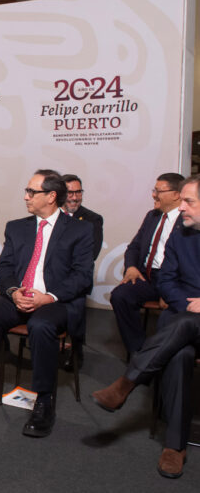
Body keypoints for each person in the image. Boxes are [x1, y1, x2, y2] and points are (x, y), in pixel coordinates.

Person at [0, 170, 93, 437]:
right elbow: (5, 266)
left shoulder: (80, 230)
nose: (26, 196)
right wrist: (14, 290)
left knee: (41, 326)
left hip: (56, 300)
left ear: (51, 196)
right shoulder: (18, 227)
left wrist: (48, 297)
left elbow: (82, 276)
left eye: (32, 192)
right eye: (27, 191)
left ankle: (43, 401)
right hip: (20, 295)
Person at [92, 175, 200, 478]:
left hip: (190, 318)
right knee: (179, 355)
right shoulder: (182, 232)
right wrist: (188, 304)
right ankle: (174, 446)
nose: (182, 207)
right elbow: (166, 278)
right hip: (182, 314)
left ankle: (128, 381)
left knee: (181, 334)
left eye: (189, 201)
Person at [109, 172, 184, 356]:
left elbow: (188, 262)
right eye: (154, 190)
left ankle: (160, 356)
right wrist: (132, 267)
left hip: (176, 281)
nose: (153, 195)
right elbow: (134, 247)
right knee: (120, 296)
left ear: (176, 194)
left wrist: (170, 290)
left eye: (158, 191)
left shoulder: (188, 220)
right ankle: (139, 352)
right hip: (148, 276)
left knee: (171, 316)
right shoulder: (152, 216)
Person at [60, 173, 104, 371]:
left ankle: (77, 350)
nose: (75, 197)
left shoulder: (92, 220)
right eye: (70, 192)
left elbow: (90, 256)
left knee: (76, 302)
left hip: (76, 276)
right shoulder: (48, 217)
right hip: (48, 276)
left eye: (79, 192)